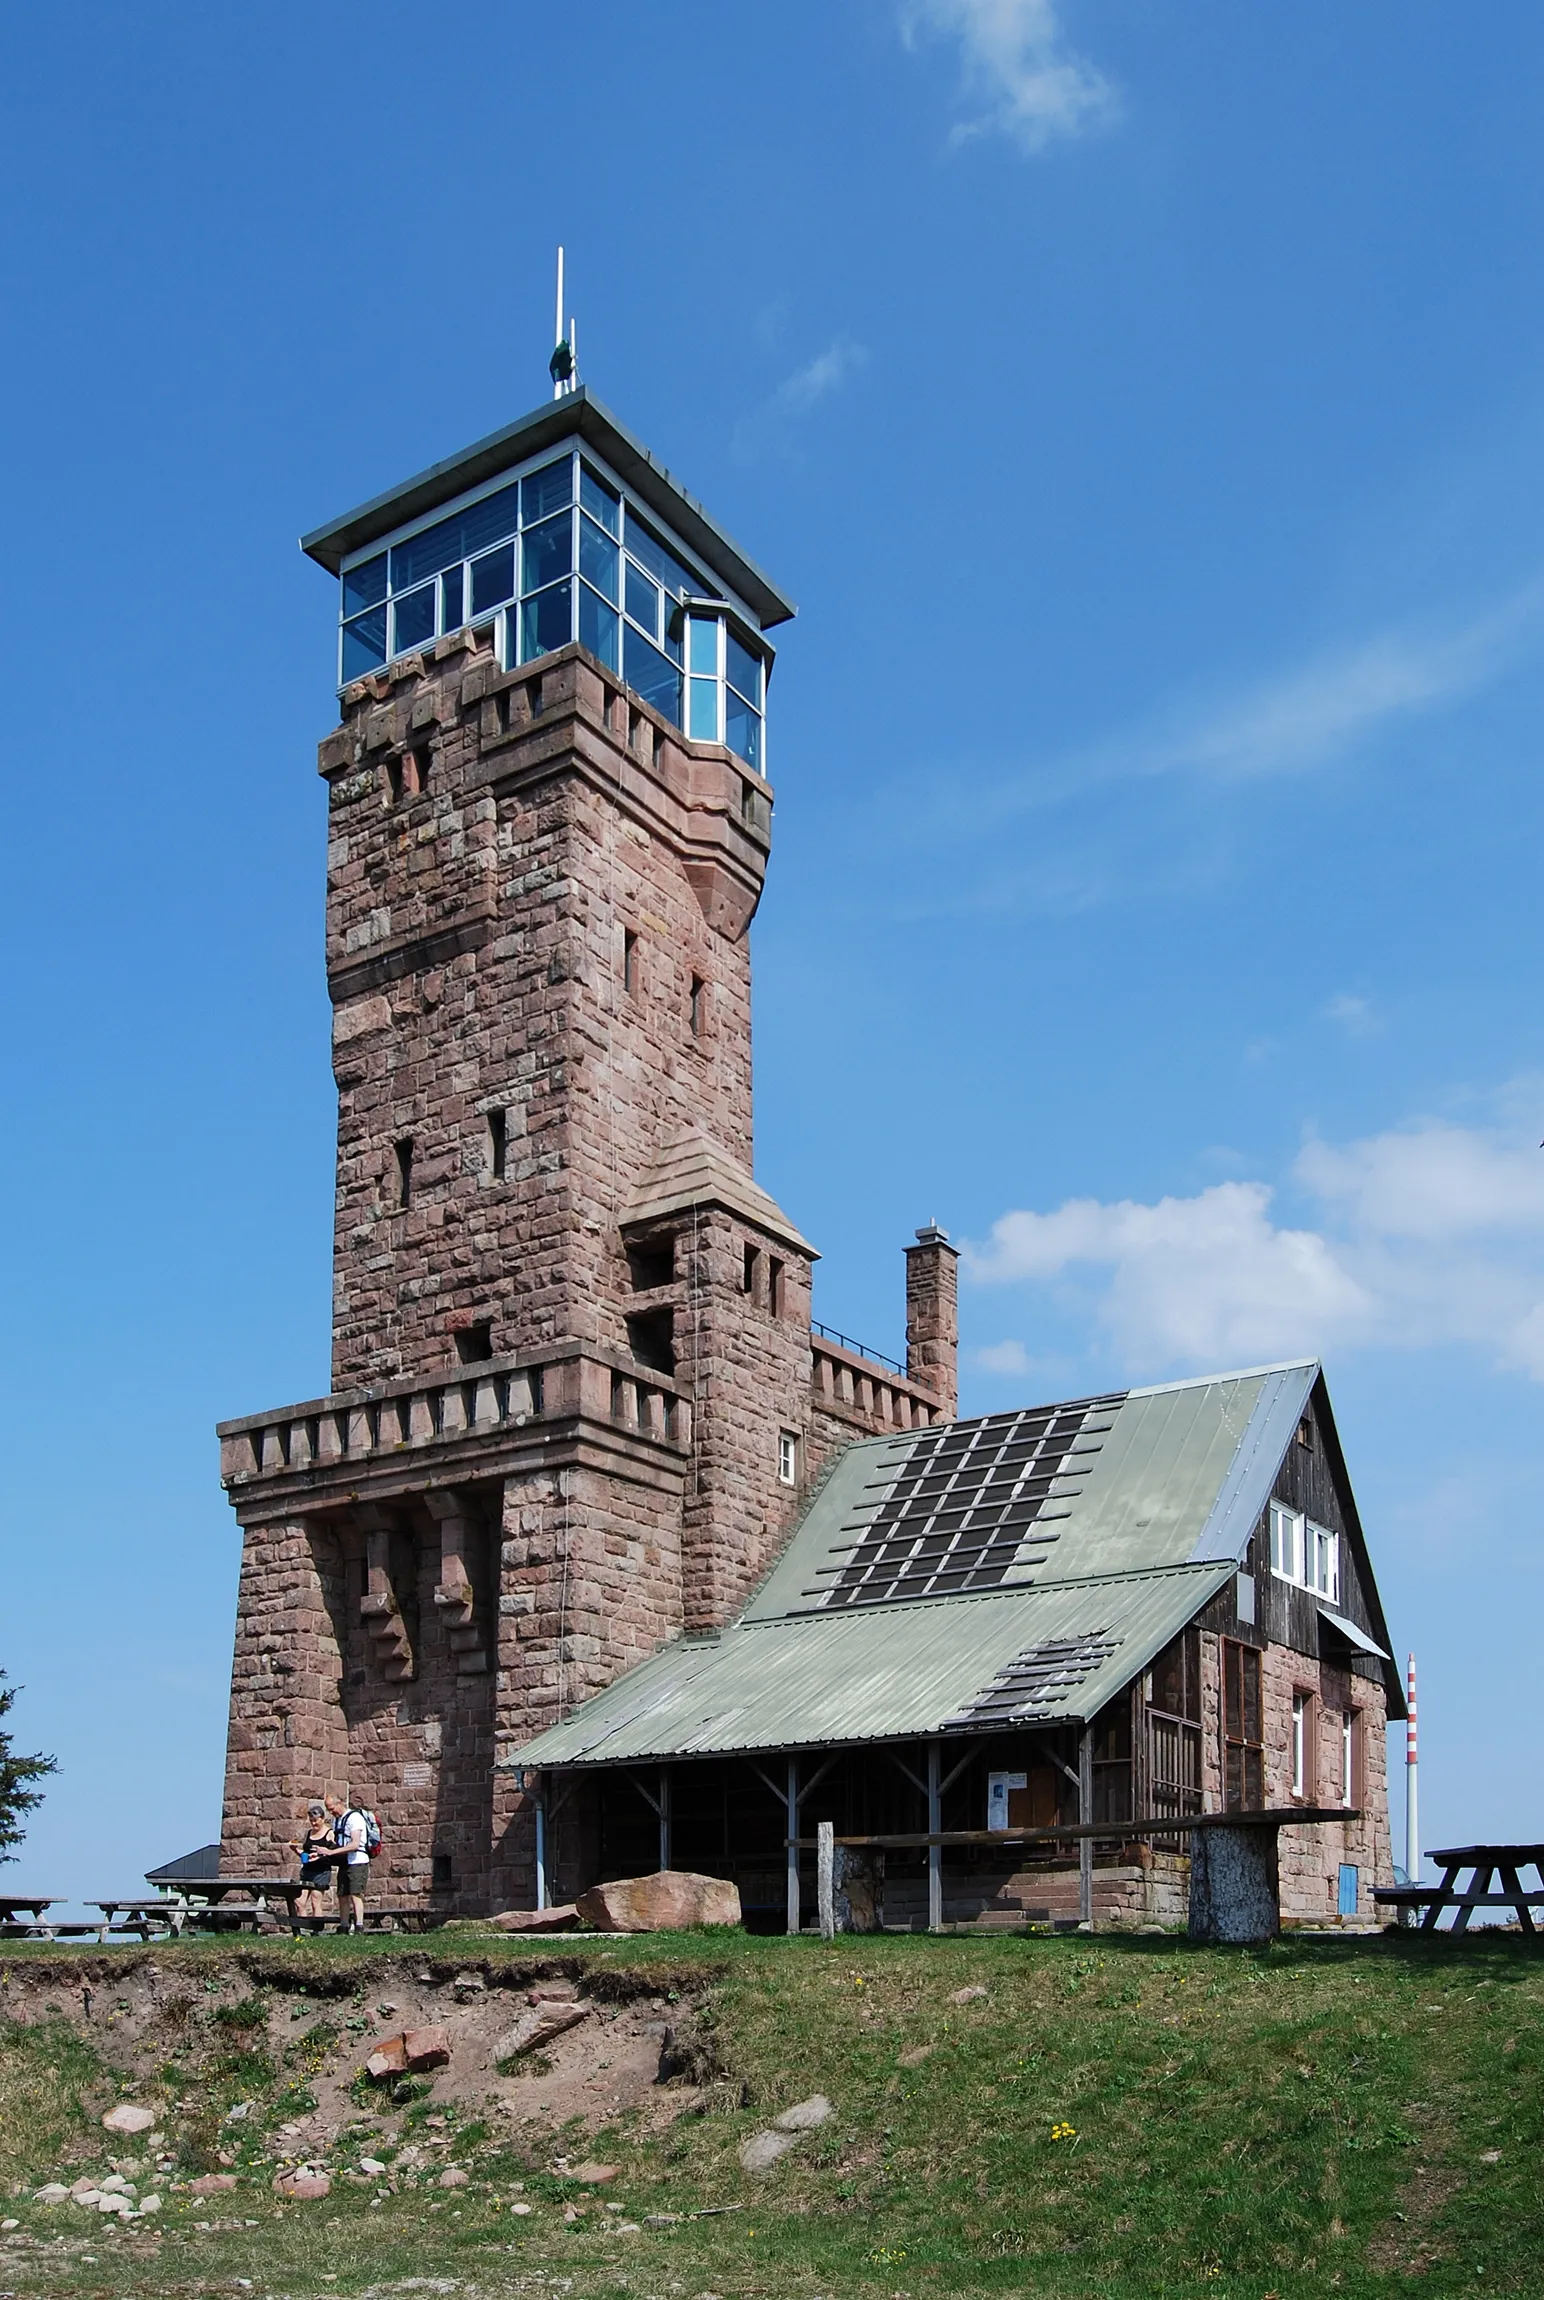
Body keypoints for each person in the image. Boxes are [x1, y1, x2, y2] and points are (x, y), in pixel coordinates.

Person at [326, 1792, 370, 1932]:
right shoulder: (337, 1820)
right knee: (342, 1894)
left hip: (357, 1861)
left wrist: (332, 1852)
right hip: (344, 1862)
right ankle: (344, 1925)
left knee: (355, 1894)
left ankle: (359, 1925)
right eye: (328, 1809)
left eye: (332, 1808)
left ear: (340, 1803)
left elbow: (355, 1844)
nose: (331, 1812)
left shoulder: (355, 1818)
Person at [288, 1801, 334, 1918]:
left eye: (316, 1820)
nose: (313, 1823)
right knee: (299, 1902)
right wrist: (295, 1850)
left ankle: (316, 1931)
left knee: (315, 1901)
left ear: (322, 1818)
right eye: (311, 1821)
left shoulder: (329, 1833)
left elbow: (333, 1854)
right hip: (307, 1870)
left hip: (321, 1872)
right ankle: (303, 1930)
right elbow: (306, 1854)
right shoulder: (308, 1833)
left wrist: (319, 1856)